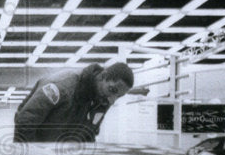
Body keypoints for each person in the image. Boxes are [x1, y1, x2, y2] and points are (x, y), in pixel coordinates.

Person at [13, 61, 145, 143]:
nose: (112, 99)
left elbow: (89, 136)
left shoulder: (103, 101)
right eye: (112, 90)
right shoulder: (62, 86)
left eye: (119, 96)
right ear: (103, 76)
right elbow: (26, 121)